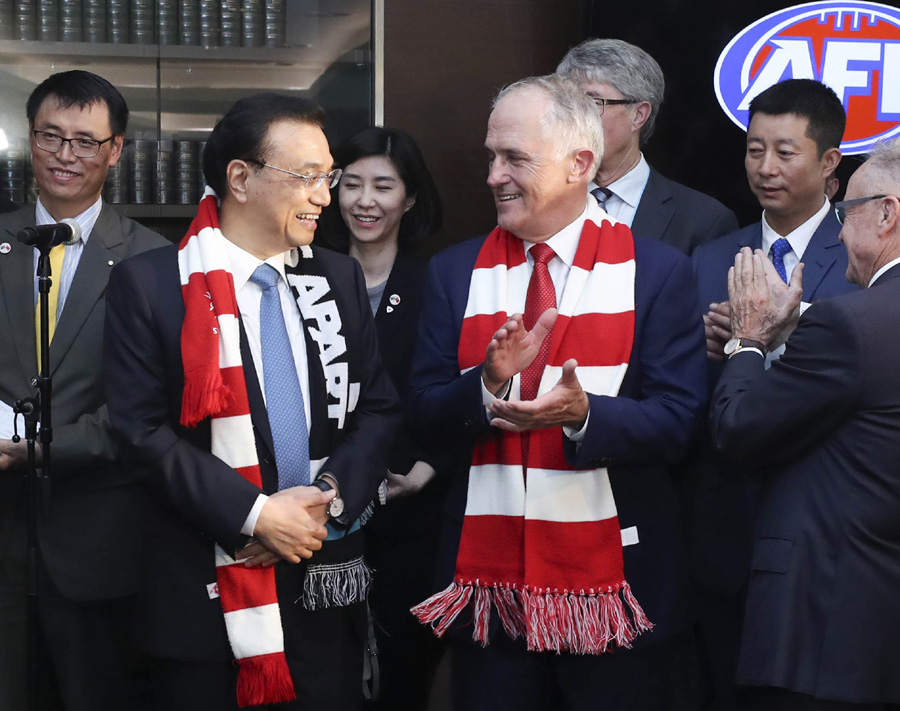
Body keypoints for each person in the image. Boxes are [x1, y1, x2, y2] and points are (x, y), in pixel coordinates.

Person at [407, 74, 707, 711]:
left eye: (514, 158)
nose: (493, 175)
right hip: (489, 596)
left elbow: (680, 424)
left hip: (614, 592)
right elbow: (422, 419)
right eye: (491, 156)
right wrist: (485, 385)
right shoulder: (454, 271)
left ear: (579, 164)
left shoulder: (657, 273)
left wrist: (585, 416)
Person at [103, 93, 400, 711]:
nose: (326, 196)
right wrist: (255, 514)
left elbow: (378, 409)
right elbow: (139, 431)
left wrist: (328, 500)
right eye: (308, 178)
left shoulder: (336, 278)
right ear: (240, 177)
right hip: (204, 592)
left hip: (322, 580)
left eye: (329, 177)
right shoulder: (154, 284)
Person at [709, 136, 900, 709]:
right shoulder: (856, 328)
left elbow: (738, 430)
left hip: (826, 628)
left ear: (888, 214)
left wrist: (749, 337)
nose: (839, 231)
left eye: (847, 212)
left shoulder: (849, 325)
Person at [0, 70, 168, 710]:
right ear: (30, 140)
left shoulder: (154, 262)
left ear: (115, 150)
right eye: (52, 137)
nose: (66, 156)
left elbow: (146, 405)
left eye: (85, 141)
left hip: (96, 543)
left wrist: (41, 449)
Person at [689, 78, 859, 711]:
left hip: (825, 529)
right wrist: (711, 354)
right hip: (724, 528)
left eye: (785, 152)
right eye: (754, 149)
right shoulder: (711, 257)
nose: (765, 168)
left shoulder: (861, 258)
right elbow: (683, 393)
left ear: (829, 161)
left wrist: (764, 341)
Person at [323, 126, 448, 710]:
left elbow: (460, 393)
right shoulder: (307, 276)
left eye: (383, 186)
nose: (364, 201)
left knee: (402, 676)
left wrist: (428, 468)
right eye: (351, 184)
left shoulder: (437, 284)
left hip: (408, 509)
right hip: (314, 509)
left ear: (411, 197)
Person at [556, 37, 738, 255]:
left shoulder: (703, 221)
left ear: (638, 115)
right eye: (568, 102)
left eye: (593, 102)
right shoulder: (538, 198)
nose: (575, 116)